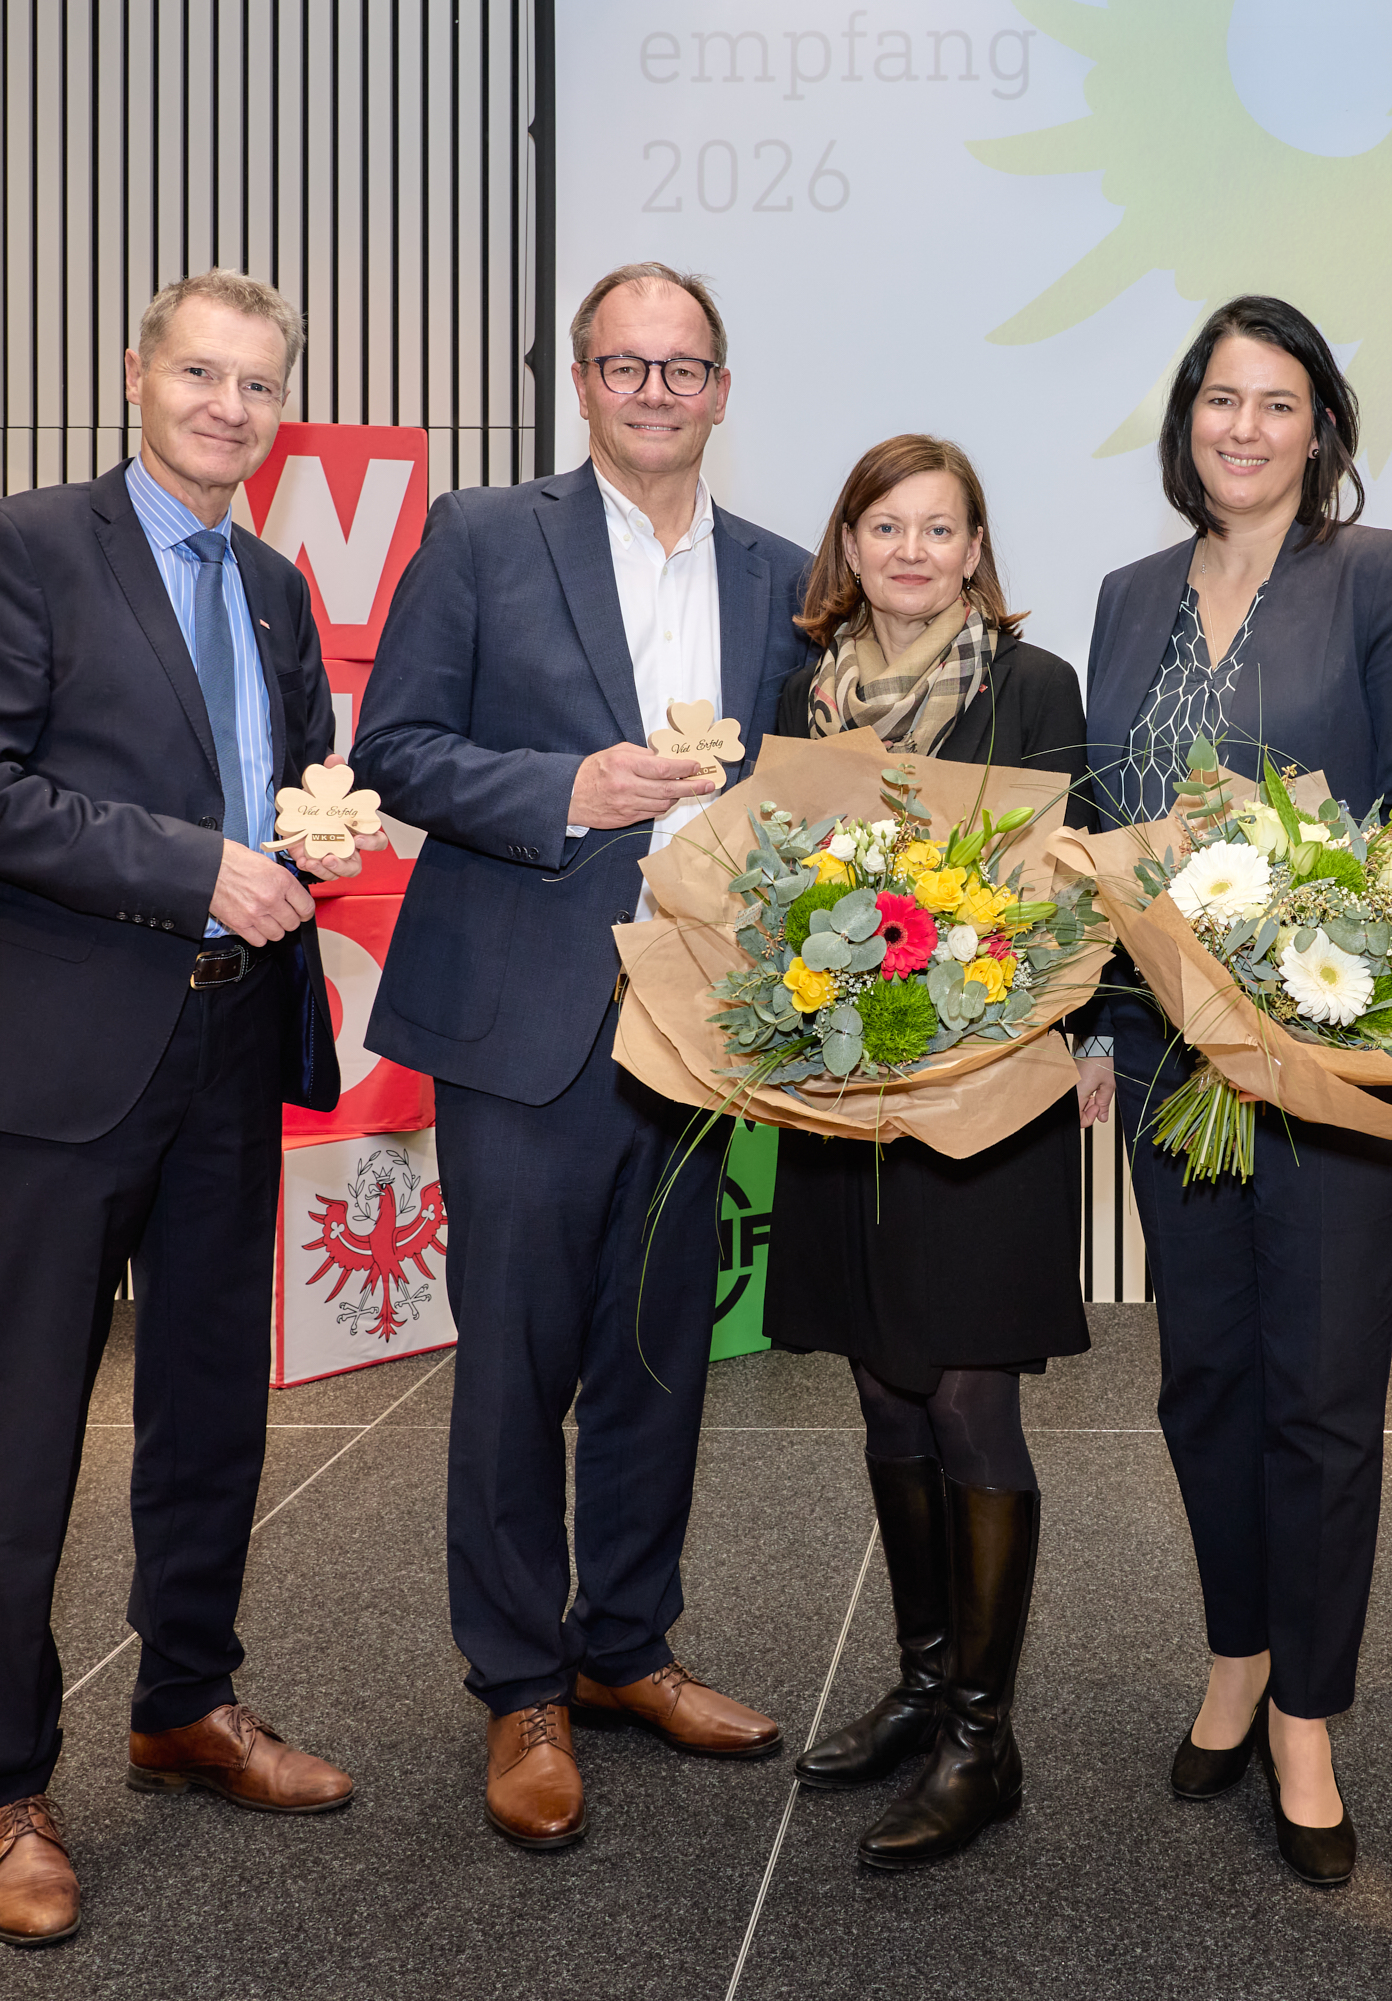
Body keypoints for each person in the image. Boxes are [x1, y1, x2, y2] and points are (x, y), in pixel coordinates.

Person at [0, 270, 374, 1947]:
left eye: (259, 385)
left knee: (206, 1410)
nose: (229, 407)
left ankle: (187, 1703)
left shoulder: (270, 583)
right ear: (135, 374)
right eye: (201, 373)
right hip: (64, 1054)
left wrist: (318, 832)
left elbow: (289, 785)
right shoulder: (26, 544)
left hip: (236, 1047)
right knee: (27, 1428)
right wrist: (196, 867)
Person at [352, 260, 809, 1850]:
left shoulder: (780, 573)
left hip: (700, 1027)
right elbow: (397, 750)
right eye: (629, 365)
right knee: (515, 1368)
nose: (658, 391)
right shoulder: (486, 537)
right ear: (582, 378)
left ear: (723, 392)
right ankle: (520, 1684)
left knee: (658, 1356)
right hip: (524, 1021)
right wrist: (571, 787)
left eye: (687, 368)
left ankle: (625, 1647)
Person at [1078, 295, 1392, 1890]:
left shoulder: (1379, 577)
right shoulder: (1122, 596)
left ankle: (1306, 1709)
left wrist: (1325, 953)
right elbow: (1104, 824)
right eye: (1219, 400)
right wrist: (1104, 1023)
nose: (1244, 427)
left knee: (1320, 1393)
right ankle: (1234, 1650)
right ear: (1187, 423)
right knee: (1206, 1380)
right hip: (1174, 1053)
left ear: (1323, 431)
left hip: (1334, 1044)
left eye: (1278, 403)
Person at [763, 434, 1101, 1870]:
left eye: (940, 527)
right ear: (850, 543)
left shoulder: (1035, 687)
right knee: (886, 1391)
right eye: (884, 525)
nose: (912, 549)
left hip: (985, 1093)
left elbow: (1050, 898)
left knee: (970, 1404)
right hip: (845, 1094)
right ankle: (917, 1677)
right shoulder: (805, 698)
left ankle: (983, 1731)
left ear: (976, 550)